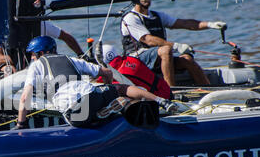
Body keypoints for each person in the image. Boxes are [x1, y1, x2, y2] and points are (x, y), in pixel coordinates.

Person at [14, 36, 178, 129]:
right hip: (92, 94)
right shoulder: (70, 59)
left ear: (41, 52)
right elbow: (106, 71)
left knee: (80, 117)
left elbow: (24, 97)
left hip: (75, 114)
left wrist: (21, 124)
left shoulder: (36, 65)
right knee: (121, 88)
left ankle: (101, 114)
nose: (31, 58)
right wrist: (108, 87)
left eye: (32, 54)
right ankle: (160, 101)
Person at [121, 0, 227, 86]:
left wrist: (210, 25)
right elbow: (148, 40)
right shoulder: (130, 18)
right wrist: (176, 46)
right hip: (137, 60)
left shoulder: (157, 15)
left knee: (187, 59)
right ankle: (171, 91)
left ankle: (208, 89)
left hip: (157, 57)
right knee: (166, 50)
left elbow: (184, 23)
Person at [0, 21, 85, 76]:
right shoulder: (2, 27)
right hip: (7, 65)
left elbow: (67, 37)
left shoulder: (41, 24)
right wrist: (12, 61)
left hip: (36, 64)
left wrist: (81, 54)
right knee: (9, 69)